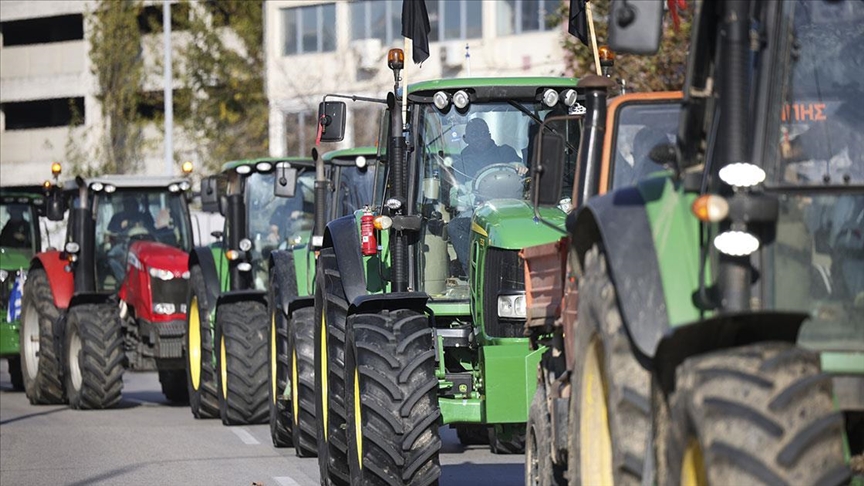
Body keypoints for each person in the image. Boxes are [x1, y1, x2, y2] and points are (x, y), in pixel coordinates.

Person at [448, 118, 524, 277]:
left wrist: (518, 166)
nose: (479, 138)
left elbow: (519, 167)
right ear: (465, 139)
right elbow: (457, 192)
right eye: (474, 134)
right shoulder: (460, 162)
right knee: (454, 227)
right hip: (477, 213)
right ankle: (474, 274)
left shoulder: (505, 152)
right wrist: (469, 196)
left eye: (482, 133)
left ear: (489, 135)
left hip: (511, 211)